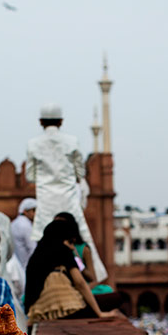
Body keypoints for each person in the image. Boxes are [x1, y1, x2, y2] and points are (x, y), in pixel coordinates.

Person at [25, 103, 107, 282]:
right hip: (68, 201)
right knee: (82, 238)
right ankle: (97, 279)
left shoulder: (33, 144)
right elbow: (81, 172)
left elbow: (30, 176)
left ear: (40, 122)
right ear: (61, 121)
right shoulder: (72, 142)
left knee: (43, 244)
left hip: (46, 203)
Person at [25, 220, 123, 322]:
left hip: (40, 312)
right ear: (62, 239)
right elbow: (80, 283)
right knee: (116, 298)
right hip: (67, 311)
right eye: (70, 242)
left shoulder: (35, 257)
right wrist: (100, 313)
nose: (72, 247)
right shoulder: (63, 250)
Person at [11, 197, 37, 285]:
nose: (36, 214)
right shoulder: (26, 225)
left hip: (15, 269)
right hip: (26, 268)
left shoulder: (14, 223)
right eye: (33, 210)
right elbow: (33, 249)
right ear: (25, 211)